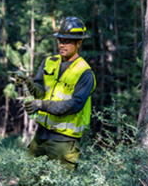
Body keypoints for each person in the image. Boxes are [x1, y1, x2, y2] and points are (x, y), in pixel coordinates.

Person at [16, 16, 96, 170]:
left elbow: (75, 104)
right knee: (29, 179)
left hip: (64, 141)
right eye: (60, 40)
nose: (62, 44)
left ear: (79, 42)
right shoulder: (49, 62)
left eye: (67, 41)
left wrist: (41, 105)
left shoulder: (85, 72)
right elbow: (40, 92)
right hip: (41, 135)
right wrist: (28, 83)